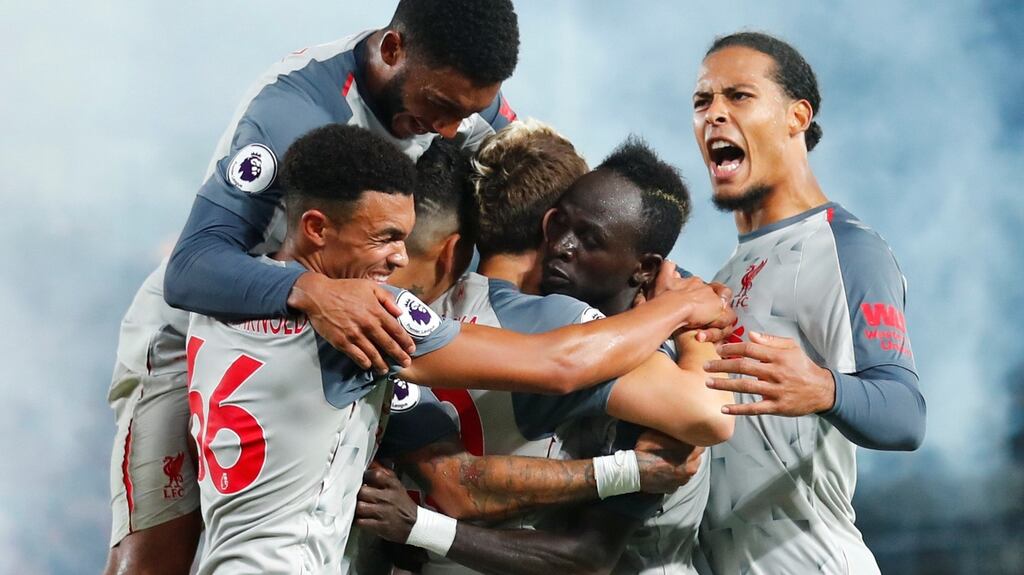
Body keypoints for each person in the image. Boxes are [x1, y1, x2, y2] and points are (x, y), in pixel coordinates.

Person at [188, 123, 731, 575]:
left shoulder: (213, 304)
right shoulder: (370, 319)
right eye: (386, 238)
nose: (399, 259)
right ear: (317, 229)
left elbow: (454, 481)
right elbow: (567, 365)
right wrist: (683, 312)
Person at [104, 2, 521, 573]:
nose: (450, 129)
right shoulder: (294, 109)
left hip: (333, 336)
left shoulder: (463, 91)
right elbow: (193, 265)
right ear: (393, 50)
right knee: (153, 563)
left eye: (466, 113)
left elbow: (541, 180)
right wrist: (313, 291)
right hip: (204, 329)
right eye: (441, 107)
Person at [356, 127, 734, 575]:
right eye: (558, 225)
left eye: (590, 239)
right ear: (544, 225)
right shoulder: (568, 332)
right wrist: (691, 321)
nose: (563, 246)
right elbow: (707, 411)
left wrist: (421, 530)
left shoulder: (440, 305)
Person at [689, 32, 926, 574]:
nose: (714, 114)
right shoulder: (726, 273)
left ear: (796, 117)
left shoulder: (846, 248)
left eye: (738, 96)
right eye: (702, 101)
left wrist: (823, 388)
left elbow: (905, 414)